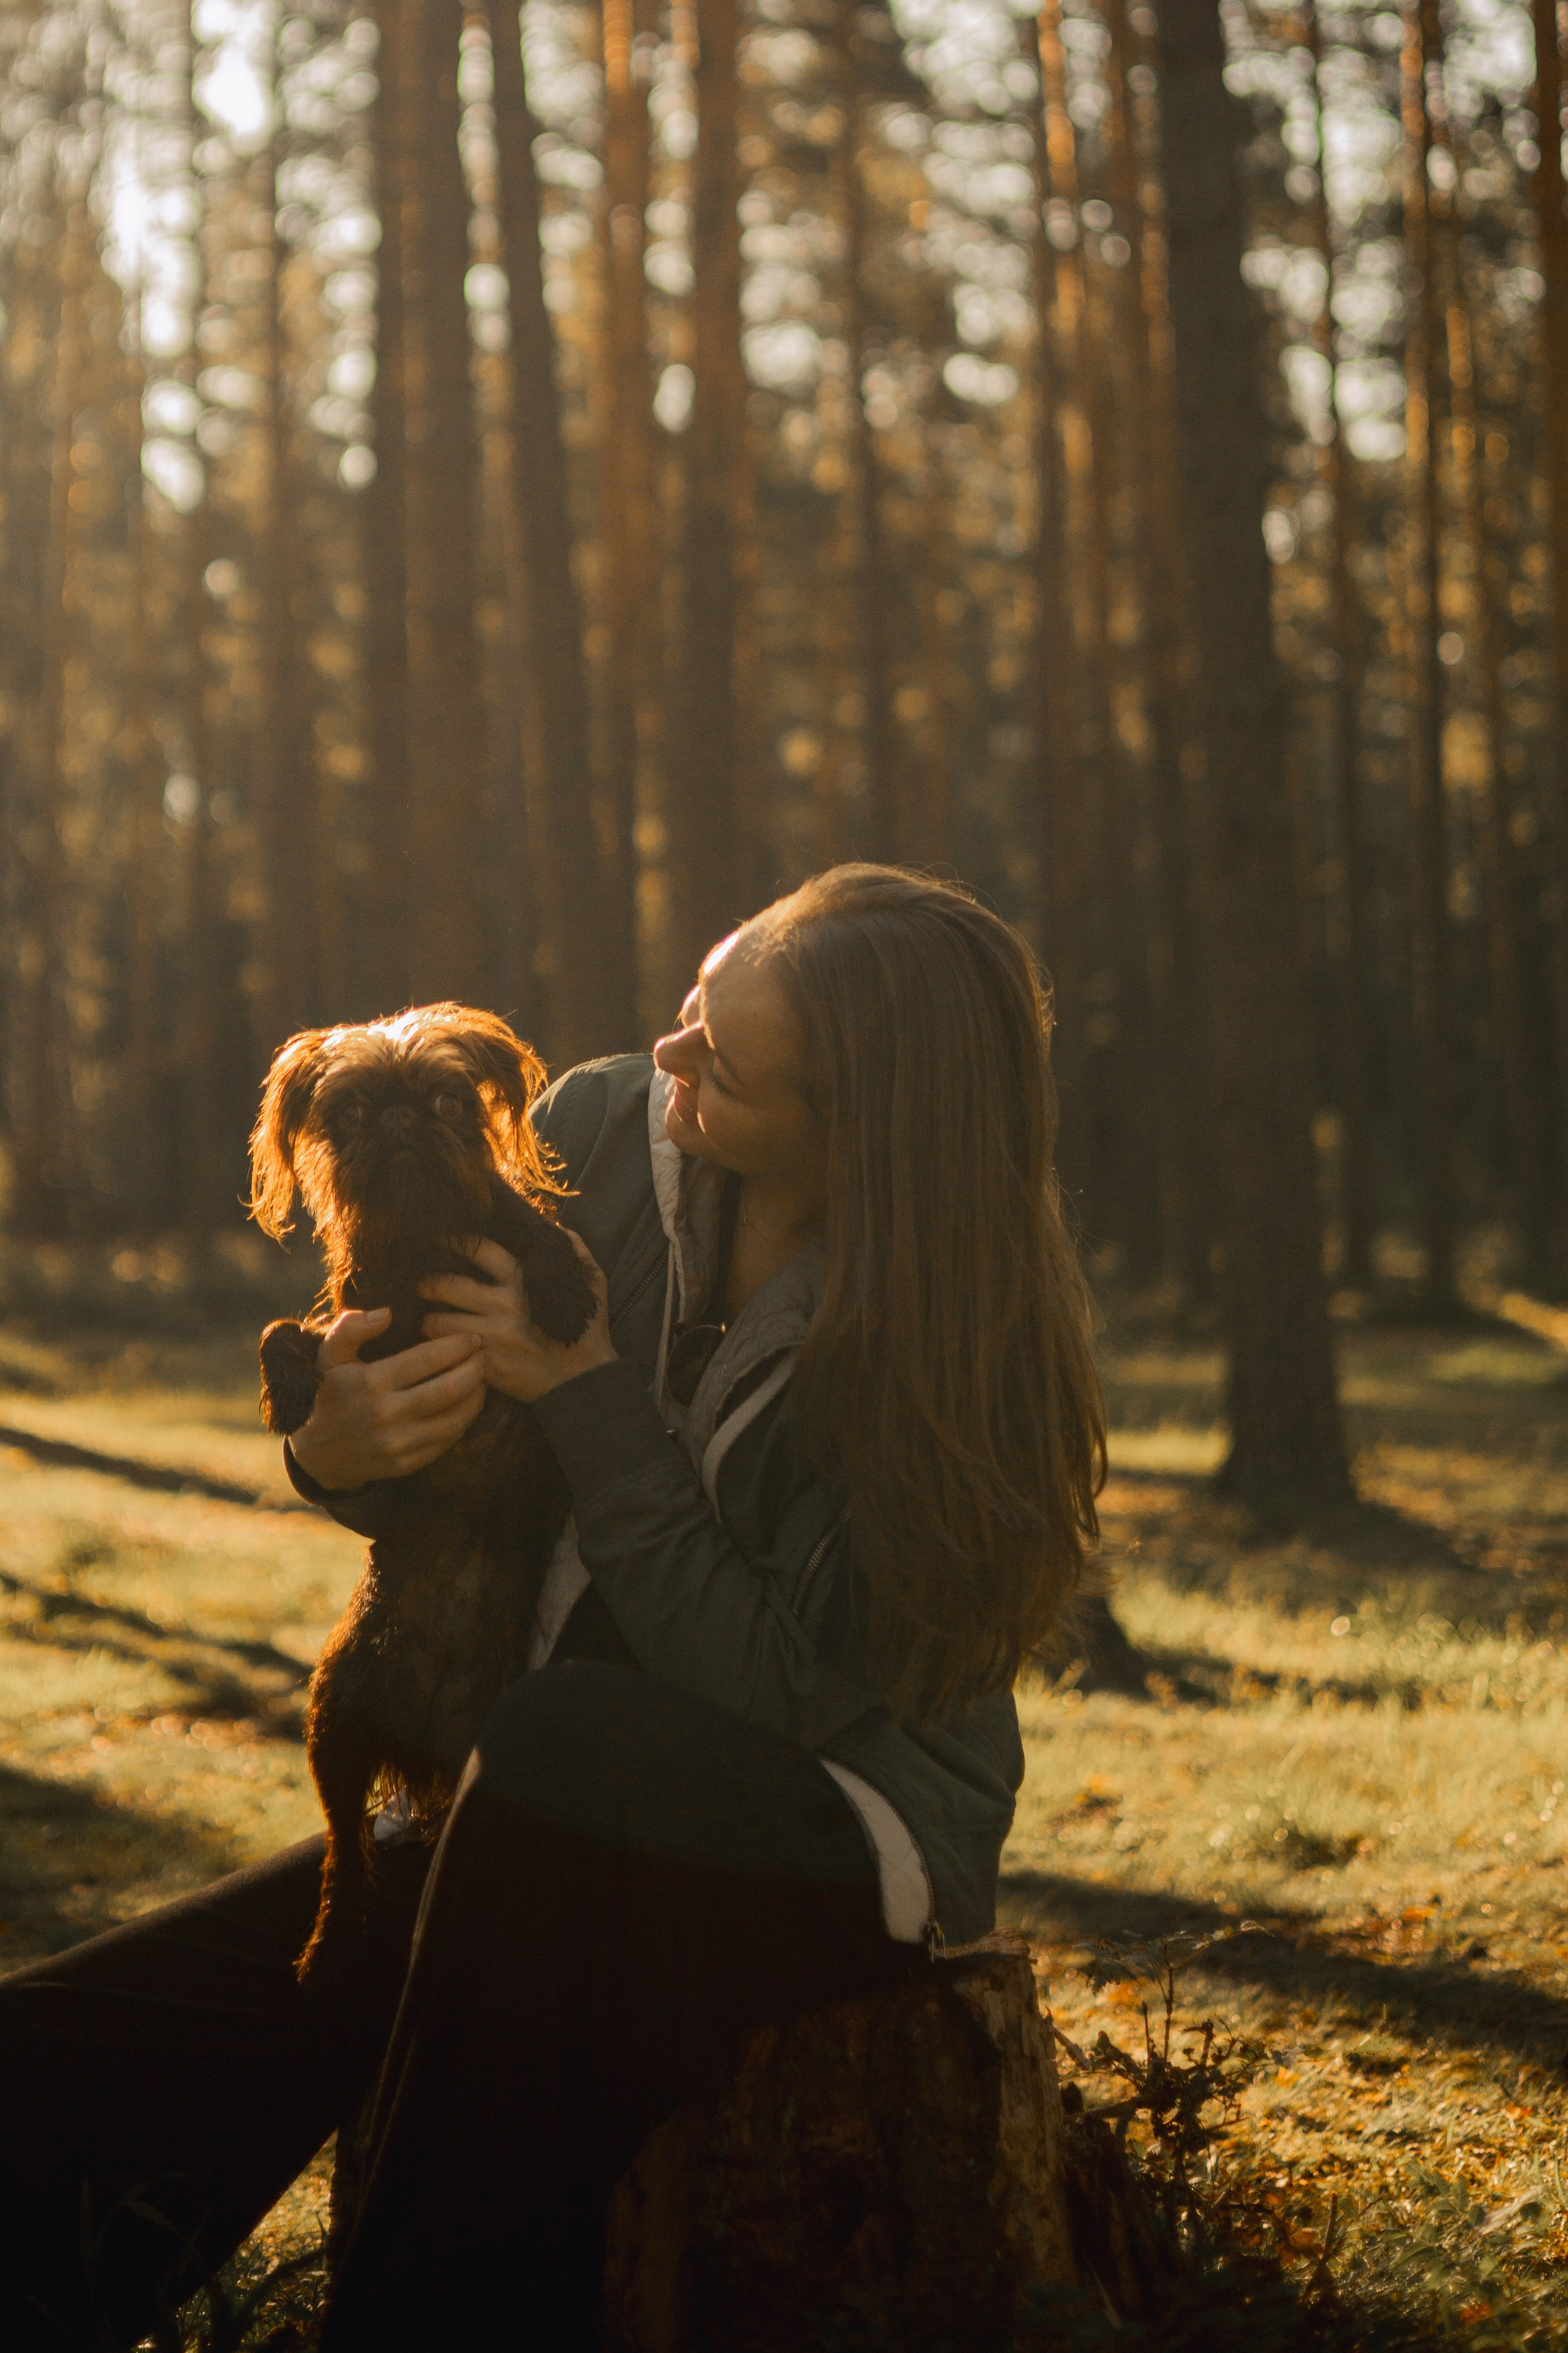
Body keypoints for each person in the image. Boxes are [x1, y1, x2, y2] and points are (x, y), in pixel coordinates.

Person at [0, 864, 1105, 2351]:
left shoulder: (950, 1345)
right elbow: (425, 1403)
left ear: (860, 1131)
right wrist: (335, 1451)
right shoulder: (589, 1136)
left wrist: (588, 1398)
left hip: (831, 1832)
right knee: (132, 2025)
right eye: (692, 1008)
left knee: (559, 1761)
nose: (666, 1062)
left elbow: (780, 1684)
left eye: (724, 1064)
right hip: (534, 1792)